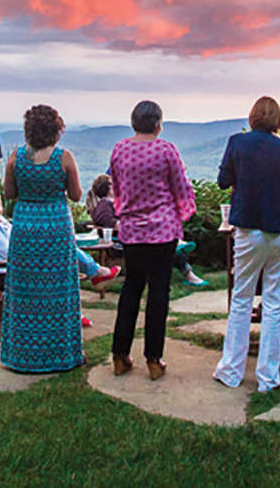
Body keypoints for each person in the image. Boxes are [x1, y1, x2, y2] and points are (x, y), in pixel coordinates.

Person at [213, 96, 280, 393]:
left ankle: (230, 371)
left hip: (249, 229)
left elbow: (223, 182)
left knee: (242, 299)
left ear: (252, 117)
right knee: (275, 305)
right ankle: (268, 378)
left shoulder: (237, 143)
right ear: (278, 120)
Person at [108, 100, 197, 380]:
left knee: (132, 288)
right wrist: (185, 213)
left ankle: (120, 357)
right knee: (159, 291)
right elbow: (181, 189)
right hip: (163, 231)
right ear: (158, 123)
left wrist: (125, 211)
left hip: (132, 231)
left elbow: (117, 191)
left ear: (134, 122)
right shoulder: (166, 149)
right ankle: (154, 361)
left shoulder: (120, 149)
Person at [0, 103, 85, 372]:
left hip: (25, 227)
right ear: (55, 129)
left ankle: (22, 355)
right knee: (58, 289)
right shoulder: (64, 158)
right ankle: (61, 354)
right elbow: (76, 195)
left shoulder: (16, 157)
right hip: (56, 228)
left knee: (24, 291)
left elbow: (9, 193)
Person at [90, 174, 205, 287]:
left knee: (163, 236)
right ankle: (187, 270)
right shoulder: (105, 203)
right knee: (164, 242)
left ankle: (179, 250)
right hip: (120, 241)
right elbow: (105, 220)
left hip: (134, 236)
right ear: (108, 187)